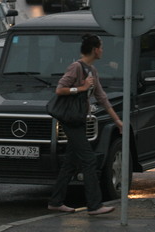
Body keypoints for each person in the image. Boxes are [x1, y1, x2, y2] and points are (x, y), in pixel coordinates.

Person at [48, 34, 124, 216]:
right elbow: (59, 89)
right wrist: (81, 88)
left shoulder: (93, 71)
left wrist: (117, 120)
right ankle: (95, 205)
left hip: (80, 120)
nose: (103, 51)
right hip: (71, 121)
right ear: (95, 49)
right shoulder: (76, 67)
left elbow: (102, 98)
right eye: (101, 47)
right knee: (89, 160)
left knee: (70, 163)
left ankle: (56, 202)